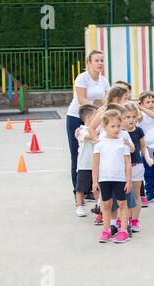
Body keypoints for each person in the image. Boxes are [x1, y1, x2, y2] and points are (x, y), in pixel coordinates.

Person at [66, 49, 110, 197]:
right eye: (97, 60)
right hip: (77, 117)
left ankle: (93, 189)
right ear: (89, 63)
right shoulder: (82, 78)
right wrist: (98, 106)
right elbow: (82, 100)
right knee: (77, 153)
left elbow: (106, 100)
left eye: (102, 60)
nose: (100, 63)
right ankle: (79, 190)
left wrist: (103, 110)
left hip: (96, 119)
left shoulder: (104, 80)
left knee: (95, 153)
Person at [92, 110, 132, 243]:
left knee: (122, 203)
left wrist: (128, 180)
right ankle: (106, 230)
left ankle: (123, 230)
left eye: (118, 126)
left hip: (120, 179)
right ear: (104, 127)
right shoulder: (99, 143)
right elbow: (96, 163)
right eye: (112, 126)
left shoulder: (123, 142)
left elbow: (127, 163)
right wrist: (94, 181)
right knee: (106, 204)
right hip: (104, 179)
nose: (116, 129)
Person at [121, 102, 154, 233]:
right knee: (123, 195)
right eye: (127, 117)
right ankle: (123, 219)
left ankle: (134, 220)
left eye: (134, 117)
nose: (131, 120)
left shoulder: (139, 131)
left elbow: (143, 147)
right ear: (122, 118)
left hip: (137, 166)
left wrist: (148, 158)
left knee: (135, 195)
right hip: (122, 167)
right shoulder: (119, 132)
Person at [74, 104, 98, 217]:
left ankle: (99, 205)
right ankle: (79, 206)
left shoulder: (97, 130)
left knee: (97, 186)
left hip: (96, 165)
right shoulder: (81, 131)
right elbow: (89, 136)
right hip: (84, 164)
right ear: (88, 118)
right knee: (81, 188)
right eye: (96, 115)